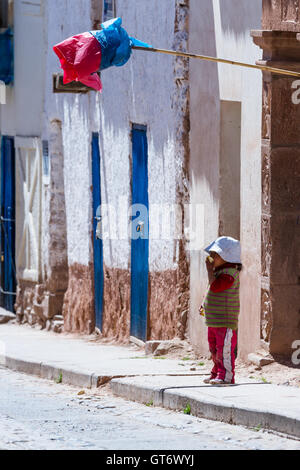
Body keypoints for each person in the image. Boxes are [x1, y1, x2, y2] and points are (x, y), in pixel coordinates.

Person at [199, 236, 242, 385]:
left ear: (226, 257)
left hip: (225, 321)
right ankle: (216, 372)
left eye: (215, 255)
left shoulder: (230, 274)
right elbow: (211, 289)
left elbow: (216, 287)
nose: (212, 258)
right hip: (214, 320)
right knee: (214, 349)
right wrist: (204, 304)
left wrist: (209, 271)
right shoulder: (219, 272)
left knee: (224, 349)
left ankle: (226, 376)